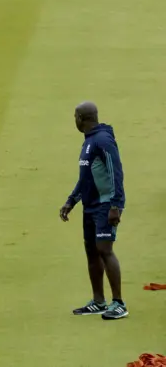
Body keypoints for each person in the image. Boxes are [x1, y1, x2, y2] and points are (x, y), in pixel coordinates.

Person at [59, 101, 128, 320]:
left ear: (81, 118)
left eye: (75, 117)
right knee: (92, 252)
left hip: (105, 205)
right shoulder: (89, 142)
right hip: (90, 206)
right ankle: (99, 301)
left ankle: (119, 303)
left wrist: (116, 205)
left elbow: (116, 172)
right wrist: (71, 201)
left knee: (105, 250)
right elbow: (86, 178)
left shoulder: (103, 141)